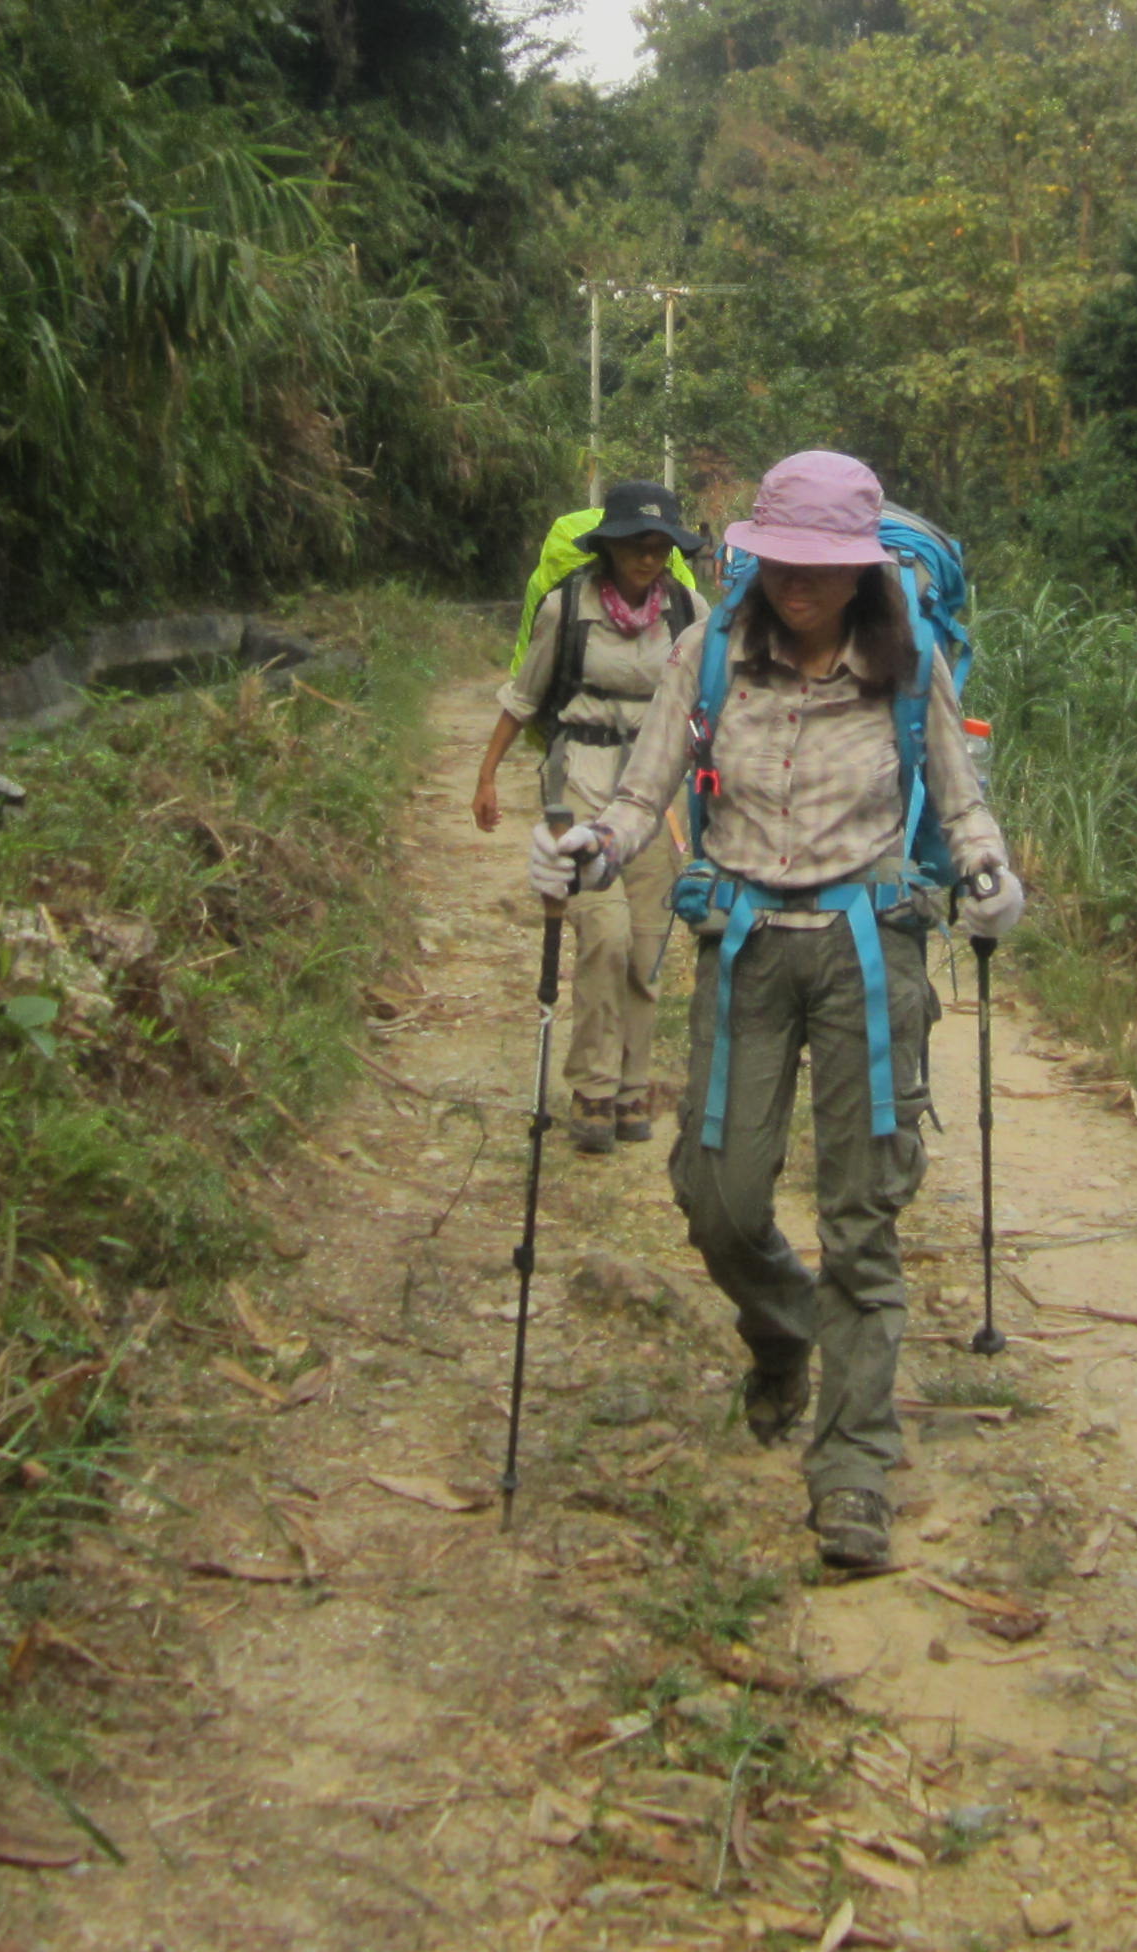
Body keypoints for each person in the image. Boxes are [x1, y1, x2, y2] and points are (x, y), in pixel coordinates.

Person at [530, 448, 1026, 1576]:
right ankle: (782, 1324)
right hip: (745, 946)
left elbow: (961, 801)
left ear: (861, 569)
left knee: (864, 1217)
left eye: (824, 565)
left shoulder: (909, 665)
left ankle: (853, 1466)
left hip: (868, 950)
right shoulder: (710, 655)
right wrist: (586, 850)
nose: (798, 583)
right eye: (781, 561)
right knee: (715, 1194)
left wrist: (989, 879)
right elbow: (641, 791)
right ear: (756, 557)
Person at [472, 481, 701, 1153]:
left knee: (648, 944)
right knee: (604, 934)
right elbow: (524, 697)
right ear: (609, 546)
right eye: (637, 544)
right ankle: (592, 1088)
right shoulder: (565, 609)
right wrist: (486, 776)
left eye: (660, 546)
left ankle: (633, 1088)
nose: (649, 559)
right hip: (581, 781)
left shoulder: (688, 612)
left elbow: (718, 698)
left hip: (659, 792)